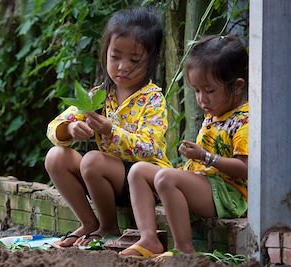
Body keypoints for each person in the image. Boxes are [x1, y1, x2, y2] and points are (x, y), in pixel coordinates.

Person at [45, 7, 172, 248]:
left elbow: (150, 148)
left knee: (92, 160)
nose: (123, 67)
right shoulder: (99, 95)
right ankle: (89, 223)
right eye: (115, 57)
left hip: (142, 183)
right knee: (55, 157)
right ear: (105, 54)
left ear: (153, 60)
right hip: (103, 177)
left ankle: (108, 227)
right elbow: (54, 127)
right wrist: (70, 130)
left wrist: (111, 131)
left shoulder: (153, 99)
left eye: (134, 60)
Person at [119, 35, 249, 258]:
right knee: (138, 171)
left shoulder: (244, 121)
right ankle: (149, 238)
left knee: (165, 178)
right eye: (197, 91)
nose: (201, 99)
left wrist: (205, 157)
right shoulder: (216, 113)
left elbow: (245, 169)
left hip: (230, 195)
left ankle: (183, 250)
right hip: (205, 184)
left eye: (209, 91)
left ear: (237, 87)